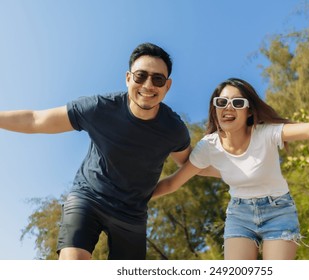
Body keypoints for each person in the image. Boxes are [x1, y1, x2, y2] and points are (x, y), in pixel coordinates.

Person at [152, 77, 309, 260]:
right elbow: (173, 182)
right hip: (239, 215)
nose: (228, 107)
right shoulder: (209, 147)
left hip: (279, 211)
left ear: (249, 111)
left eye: (237, 103)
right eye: (222, 102)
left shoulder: (265, 134)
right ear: (215, 108)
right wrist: (129, 197)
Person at [0, 42, 200, 260]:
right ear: (128, 78)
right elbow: (35, 120)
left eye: (157, 79)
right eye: (140, 76)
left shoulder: (173, 130)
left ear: (167, 86)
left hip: (132, 214)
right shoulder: (99, 108)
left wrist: (238, 167)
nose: (148, 85)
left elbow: (192, 164)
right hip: (89, 198)